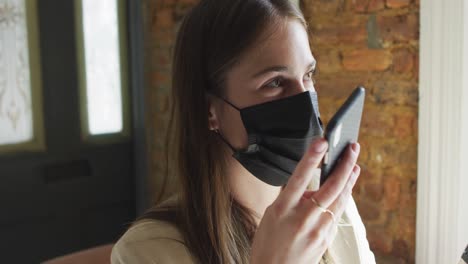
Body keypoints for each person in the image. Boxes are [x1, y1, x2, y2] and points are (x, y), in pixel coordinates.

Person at [111, 0, 376, 263]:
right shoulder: (145, 251)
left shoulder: (328, 204)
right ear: (209, 110)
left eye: (308, 75)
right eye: (274, 82)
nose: (304, 100)